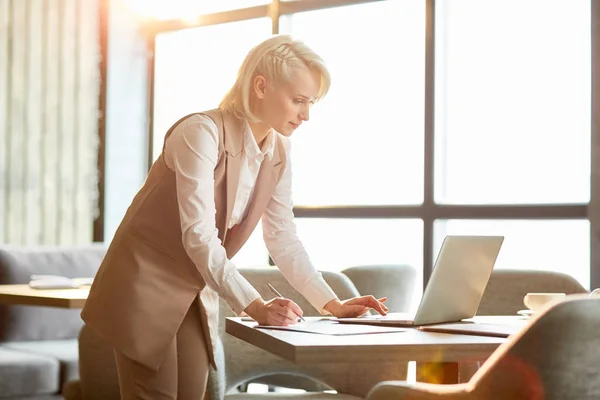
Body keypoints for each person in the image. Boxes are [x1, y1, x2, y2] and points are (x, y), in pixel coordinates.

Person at [81, 34, 388, 400]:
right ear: (261, 86)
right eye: (299, 100)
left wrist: (330, 303)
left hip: (195, 289)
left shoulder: (279, 151)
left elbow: (282, 238)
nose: (306, 114)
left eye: (311, 103)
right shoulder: (200, 132)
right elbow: (200, 236)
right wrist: (255, 305)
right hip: (143, 283)